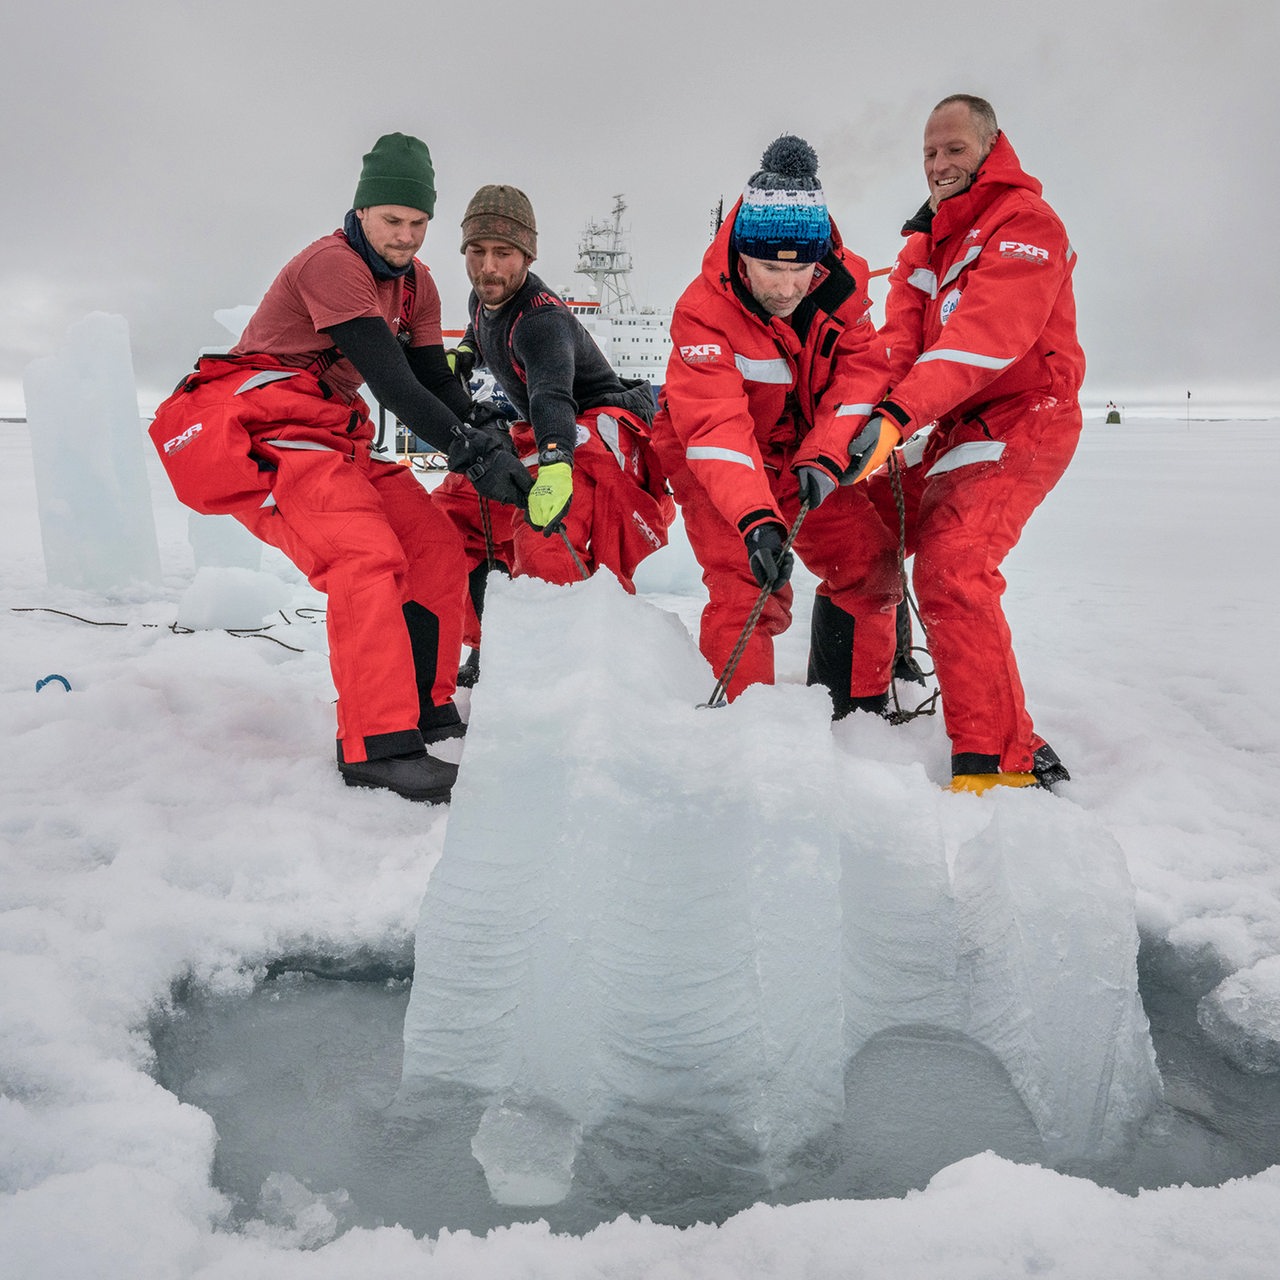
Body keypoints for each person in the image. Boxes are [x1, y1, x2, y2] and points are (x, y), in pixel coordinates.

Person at [148, 133, 530, 803]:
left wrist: (484, 436)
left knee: (435, 546)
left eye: (418, 223)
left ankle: (426, 707)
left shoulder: (418, 285)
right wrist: (465, 451)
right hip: (271, 425)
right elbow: (391, 386)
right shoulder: (331, 264)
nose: (406, 236)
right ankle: (376, 746)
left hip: (335, 433)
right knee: (364, 557)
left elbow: (431, 380)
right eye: (392, 221)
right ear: (361, 213)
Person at [865, 94, 1084, 792]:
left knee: (952, 563)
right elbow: (900, 345)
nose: (939, 164)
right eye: (930, 152)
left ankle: (1001, 764)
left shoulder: (1026, 225)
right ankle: (859, 701)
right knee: (854, 527)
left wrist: (900, 414)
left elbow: (984, 337)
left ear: (991, 146)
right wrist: (859, 426)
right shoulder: (925, 242)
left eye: (953, 149)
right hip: (953, 420)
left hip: (1026, 413)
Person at [651, 135, 900, 713]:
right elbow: (714, 427)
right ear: (741, 254)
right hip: (715, 457)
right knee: (748, 584)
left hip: (804, 451)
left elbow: (862, 373)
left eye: (802, 271)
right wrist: (757, 519)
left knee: (870, 564)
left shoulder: (841, 290)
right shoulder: (702, 314)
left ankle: (859, 713)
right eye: (769, 270)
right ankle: (742, 737)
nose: (788, 288)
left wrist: (826, 453)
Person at [432, 184, 673, 681]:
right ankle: (493, 645)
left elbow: (550, 395)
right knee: (452, 522)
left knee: (546, 534)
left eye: (503, 253)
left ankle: (562, 676)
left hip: (592, 427)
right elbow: (481, 334)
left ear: (526, 255)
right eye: (477, 252)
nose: (488, 267)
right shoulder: (484, 299)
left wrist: (557, 463)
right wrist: (464, 355)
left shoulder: (541, 321)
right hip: (543, 428)